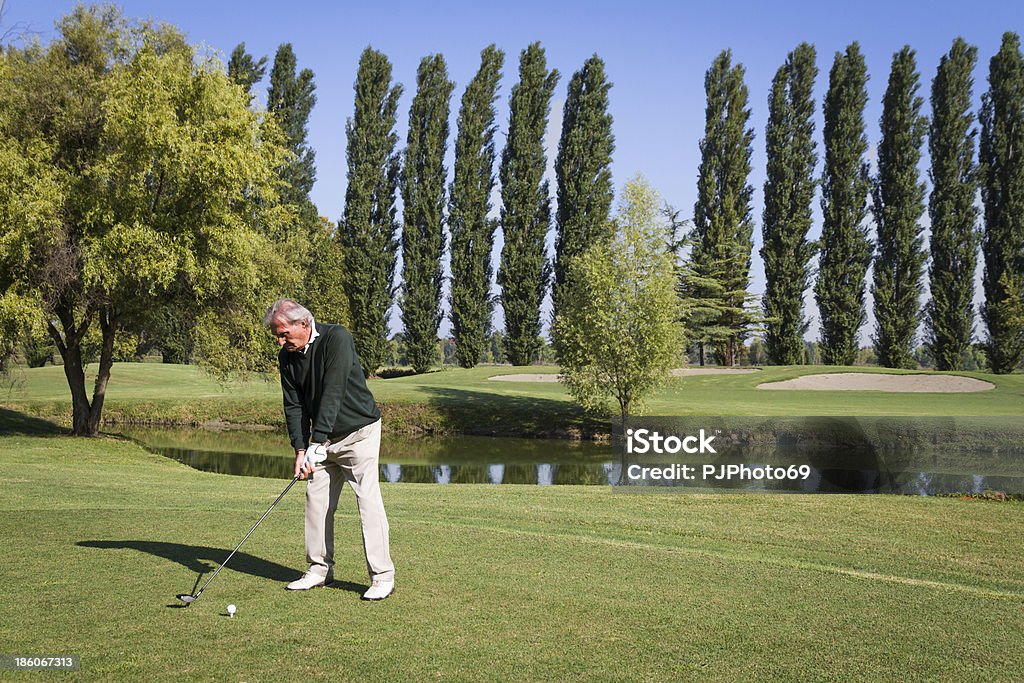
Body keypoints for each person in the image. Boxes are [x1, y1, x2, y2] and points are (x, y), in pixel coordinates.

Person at [263, 298, 395, 601]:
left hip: (358, 433)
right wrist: (300, 449)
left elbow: (334, 392)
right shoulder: (288, 356)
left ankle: (382, 576)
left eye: (284, 334)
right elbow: (293, 405)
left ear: (304, 324)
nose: (281, 341)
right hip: (320, 442)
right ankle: (319, 570)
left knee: (367, 501)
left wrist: (316, 441)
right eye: (277, 336)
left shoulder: (338, 338)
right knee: (316, 502)